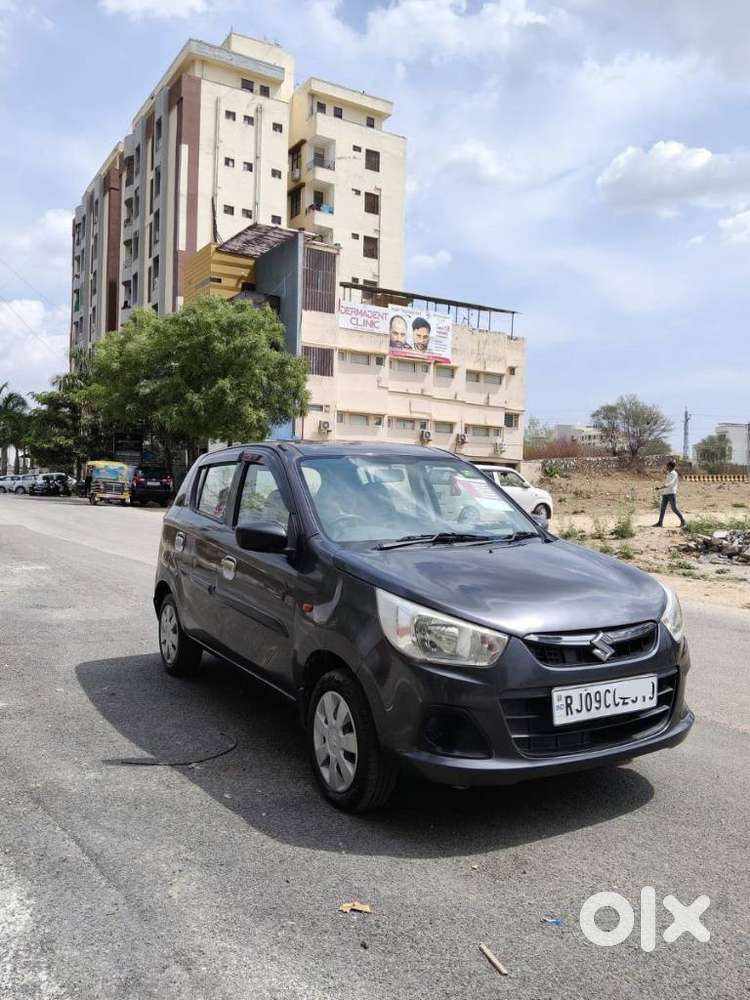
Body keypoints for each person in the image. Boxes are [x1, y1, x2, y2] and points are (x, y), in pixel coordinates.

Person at [653, 460, 686, 528]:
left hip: (671, 493)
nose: (666, 467)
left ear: (670, 466)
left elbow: (670, 483)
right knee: (662, 508)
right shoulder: (669, 473)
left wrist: (661, 487)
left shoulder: (674, 474)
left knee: (674, 508)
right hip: (665, 493)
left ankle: (683, 521)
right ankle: (660, 523)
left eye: (667, 466)